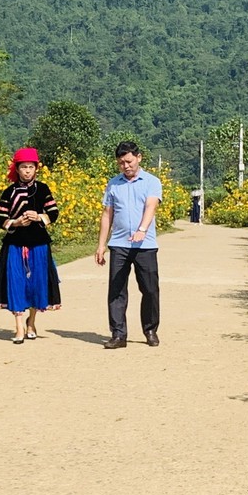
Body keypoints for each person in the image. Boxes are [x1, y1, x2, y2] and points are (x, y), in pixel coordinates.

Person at [0, 147, 61, 344]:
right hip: (15, 244)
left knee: (37, 283)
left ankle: (32, 322)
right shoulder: (9, 191)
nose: (27, 171)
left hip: (38, 243)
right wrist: (17, 222)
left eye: (31, 167)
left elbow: (53, 212)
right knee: (16, 282)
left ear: (36, 169)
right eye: (23, 167)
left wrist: (38, 216)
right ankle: (19, 327)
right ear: (17, 169)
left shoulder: (43, 189)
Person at [96, 140, 162, 349]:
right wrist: (101, 245)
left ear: (139, 158)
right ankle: (118, 334)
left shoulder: (152, 181)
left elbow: (151, 206)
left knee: (150, 289)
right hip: (119, 244)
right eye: (121, 163)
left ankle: (150, 329)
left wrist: (142, 230)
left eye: (129, 161)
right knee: (116, 290)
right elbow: (107, 214)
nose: (126, 166)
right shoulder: (113, 184)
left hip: (145, 245)